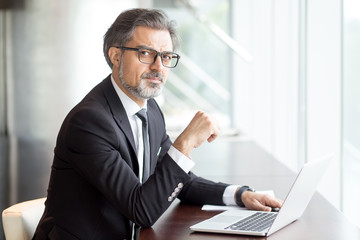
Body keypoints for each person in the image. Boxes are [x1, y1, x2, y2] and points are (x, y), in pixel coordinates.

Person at [33, 8, 282, 240]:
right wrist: (184, 143)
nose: (158, 67)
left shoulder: (149, 109)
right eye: (146, 53)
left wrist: (240, 195)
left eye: (166, 56)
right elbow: (141, 210)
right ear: (116, 55)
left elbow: (178, 180)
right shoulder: (89, 122)